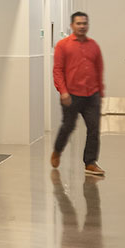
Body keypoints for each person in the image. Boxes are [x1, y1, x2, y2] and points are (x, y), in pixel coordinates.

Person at [50, 11, 105, 178]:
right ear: (72, 25)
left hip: (92, 94)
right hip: (71, 95)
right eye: (79, 23)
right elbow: (58, 70)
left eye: (85, 23)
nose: (82, 26)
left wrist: (100, 92)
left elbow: (99, 69)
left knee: (94, 128)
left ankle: (90, 162)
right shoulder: (63, 45)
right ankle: (57, 150)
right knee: (68, 127)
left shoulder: (93, 45)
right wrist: (63, 91)